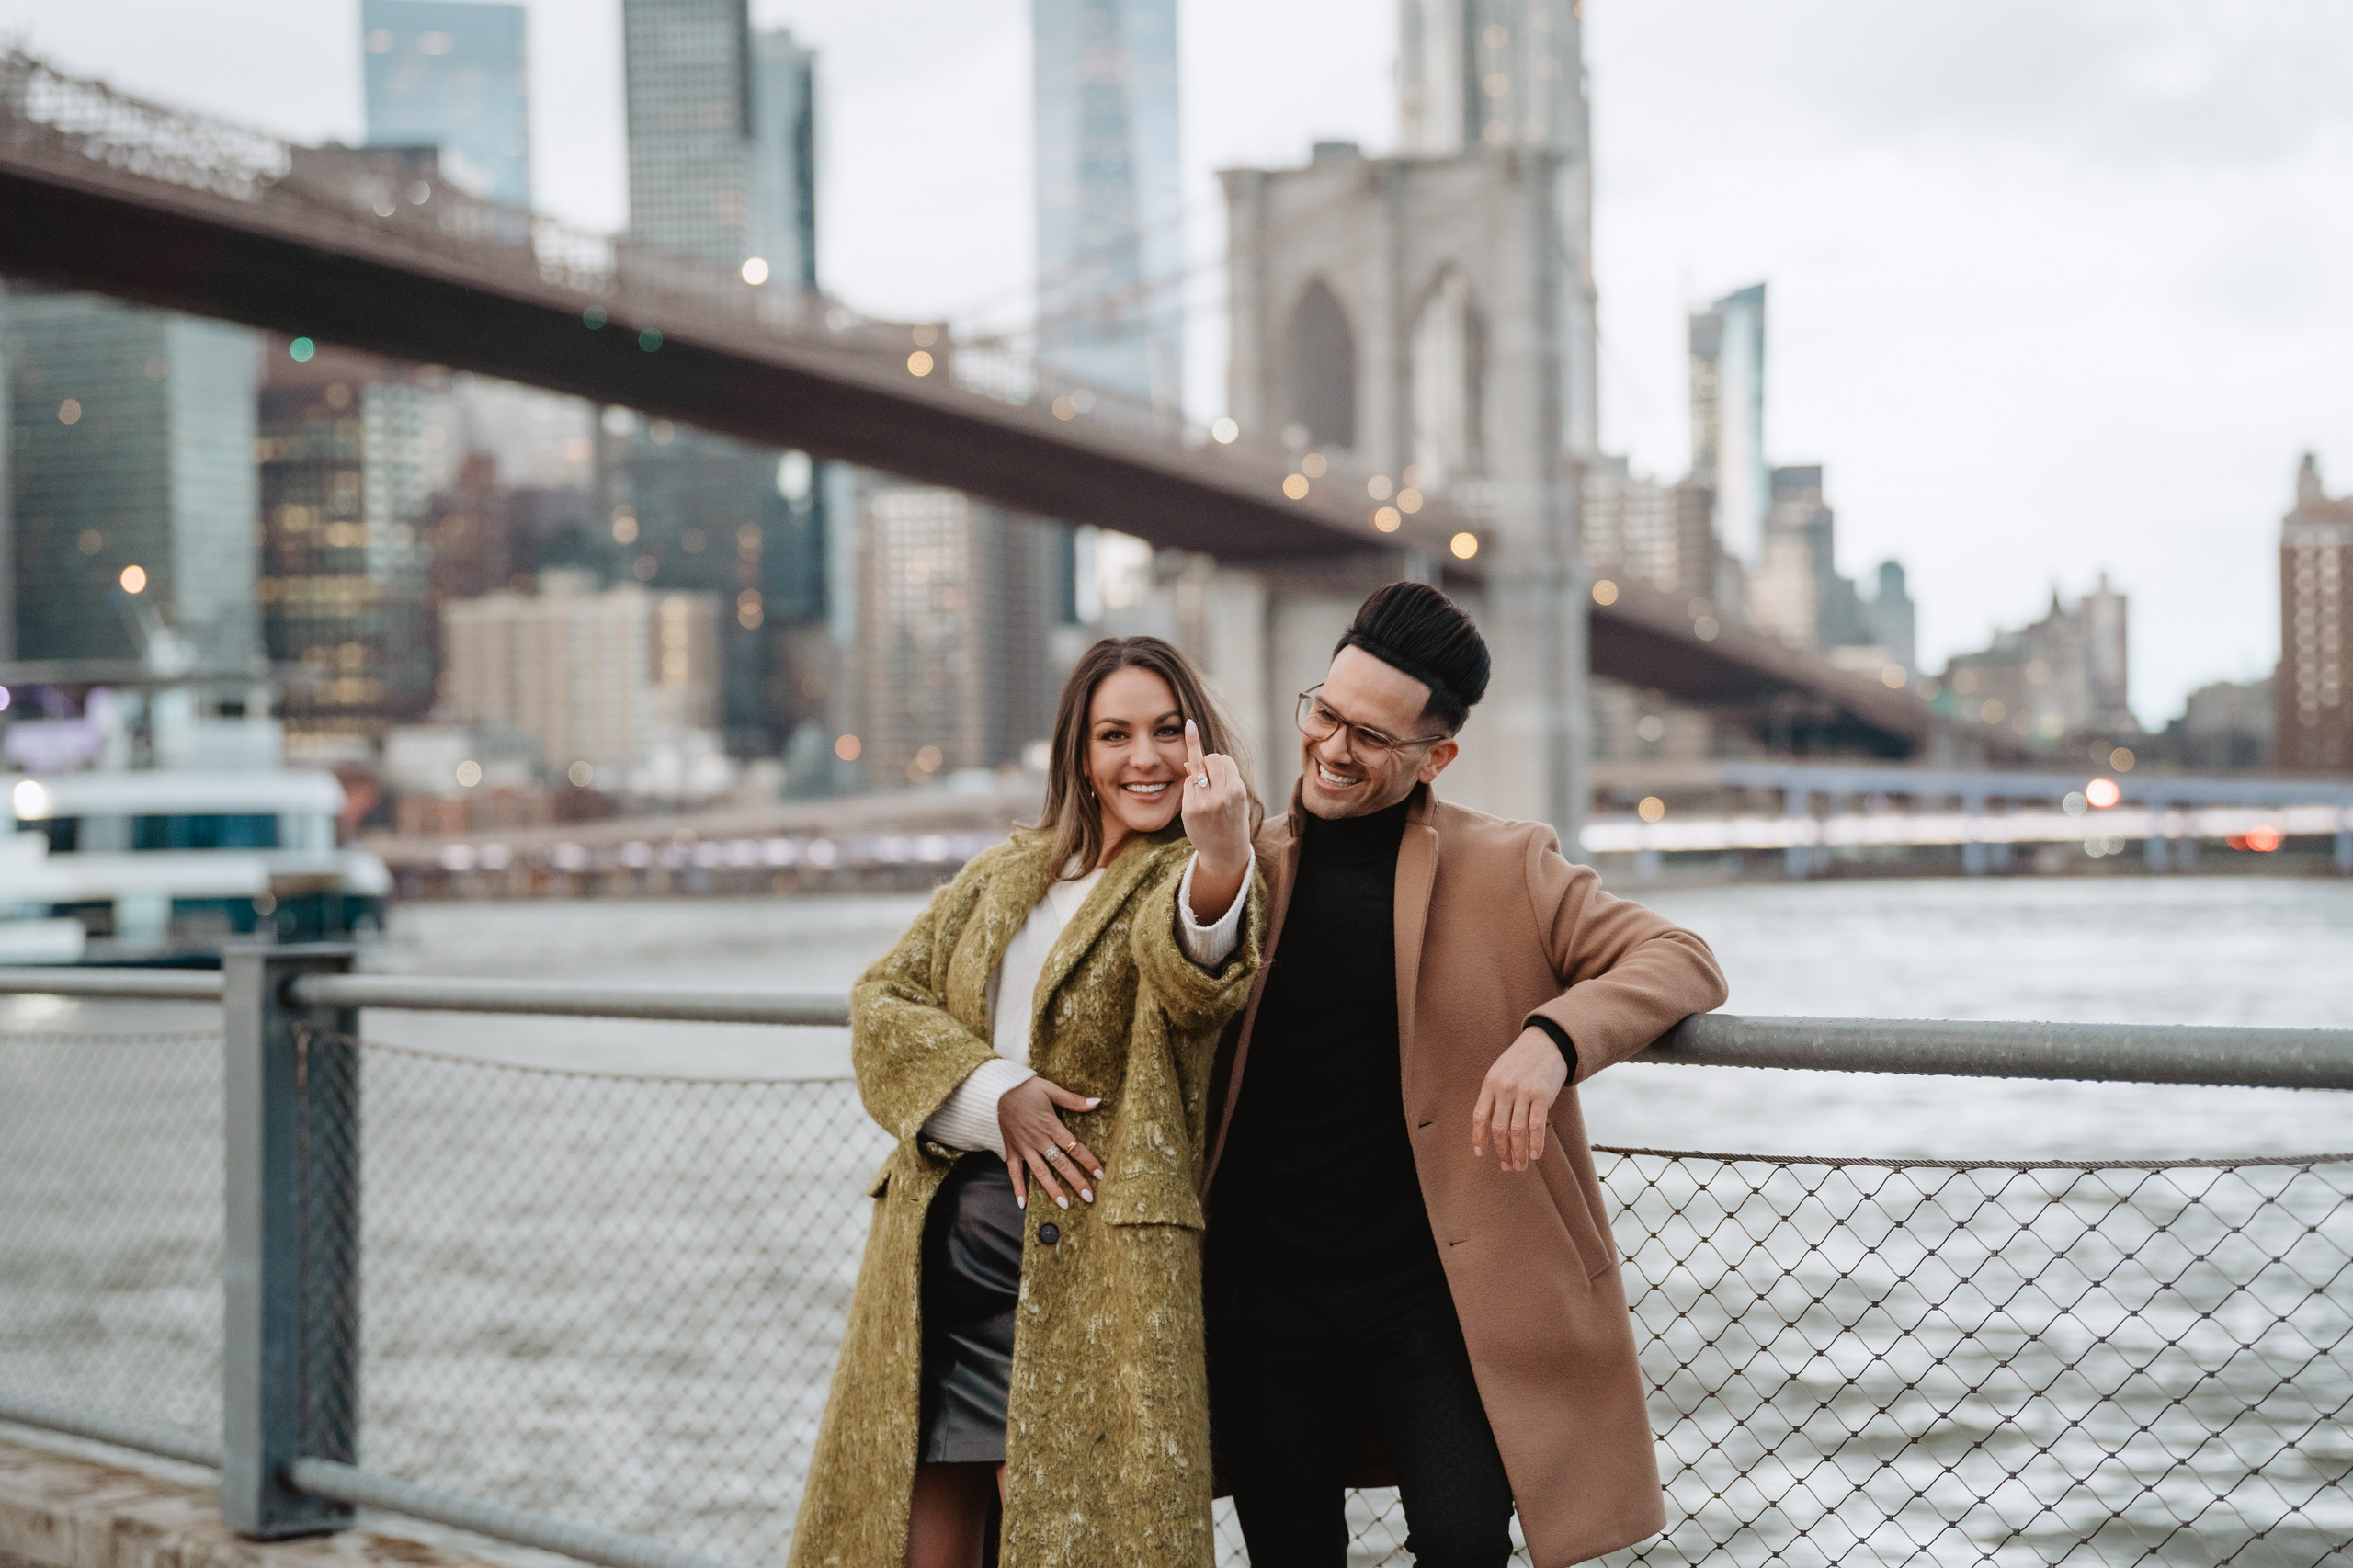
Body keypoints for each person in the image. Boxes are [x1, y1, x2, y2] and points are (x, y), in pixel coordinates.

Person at [1203, 582, 1729, 1568]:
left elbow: (1681, 956)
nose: (1330, 747)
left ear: (1435, 756)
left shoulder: (1510, 865)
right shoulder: (1245, 866)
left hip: (1434, 1297)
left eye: (1370, 735)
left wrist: (1553, 1037)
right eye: (1324, 712)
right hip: (1260, 1291)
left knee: (1460, 1541)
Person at [789, 636, 1266, 1568]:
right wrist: (992, 1092)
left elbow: (1196, 974)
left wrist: (1222, 854)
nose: (1145, 757)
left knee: (1070, 1539)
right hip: (941, 1272)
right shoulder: (1003, 875)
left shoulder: (1190, 877)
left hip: (1085, 1272)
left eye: (1170, 730)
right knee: (914, 1539)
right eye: (1115, 734)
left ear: (1201, 742)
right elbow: (881, 1004)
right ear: (1079, 757)